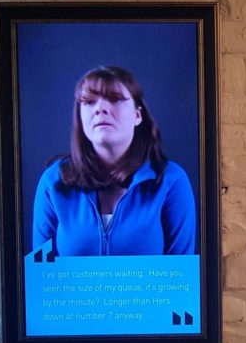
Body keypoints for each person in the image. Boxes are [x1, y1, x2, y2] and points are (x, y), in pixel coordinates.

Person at [32, 65, 196, 256]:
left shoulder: (170, 180)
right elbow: (41, 276)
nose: (100, 109)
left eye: (115, 99)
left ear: (137, 115)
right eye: (89, 102)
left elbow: (181, 278)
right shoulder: (53, 181)